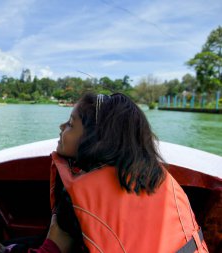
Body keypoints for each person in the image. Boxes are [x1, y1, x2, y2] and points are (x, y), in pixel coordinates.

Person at [50, 92, 209, 253]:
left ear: (95, 139)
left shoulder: (78, 197)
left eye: (70, 124)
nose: (62, 126)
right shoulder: (162, 177)